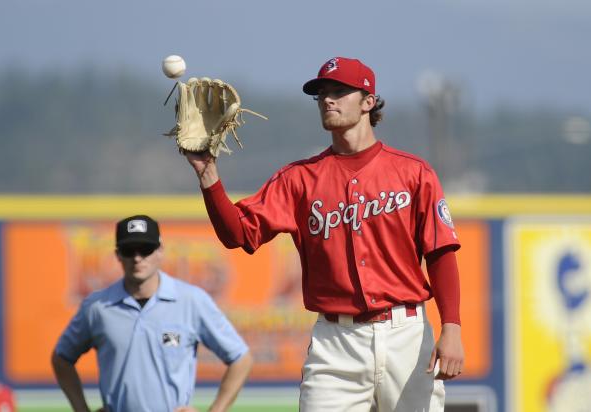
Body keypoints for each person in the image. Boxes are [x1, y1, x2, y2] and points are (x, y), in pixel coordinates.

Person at [184, 57, 464, 411]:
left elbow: (440, 253)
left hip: (405, 333)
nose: (327, 100)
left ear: (368, 101)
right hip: (336, 342)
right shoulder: (298, 179)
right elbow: (239, 234)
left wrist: (451, 327)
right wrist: (208, 176)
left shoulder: (413, 173)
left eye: (338, 91)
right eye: (321, 94)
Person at [51, 215, 253, 412]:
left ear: (160, 251)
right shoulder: (98, 307)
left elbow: (240, 359)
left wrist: (216, 410)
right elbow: (61, 358)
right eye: (129, 250)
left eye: (146, 249)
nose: (137, 258)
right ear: (117, 254)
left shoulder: (191, 300)